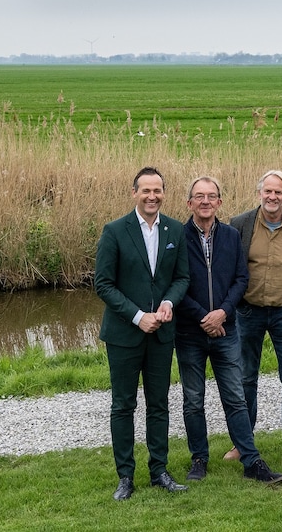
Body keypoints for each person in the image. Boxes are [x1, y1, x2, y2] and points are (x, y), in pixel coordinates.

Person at [174, 176, 282, 485]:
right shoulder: (177, 237)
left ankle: (251, 460)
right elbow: (175, 285)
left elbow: (241, 279)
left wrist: (222, 313)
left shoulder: (232, 236)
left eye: (211, 196)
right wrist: (204, 317)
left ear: (219, 202)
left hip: (227, 329)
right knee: (193, 399)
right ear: (190, 203)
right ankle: (199, 458)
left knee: (235, 397)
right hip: (189, 332)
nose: (205, 201)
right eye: (199, 196)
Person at [94, 166, 190, 500]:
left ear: (164, 193)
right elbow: (103, 284)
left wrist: (168, 303)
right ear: (134, 192)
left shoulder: (175, 230)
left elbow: (182, 278)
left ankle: (159, 471)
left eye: (158, 190)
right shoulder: (115, 231)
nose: (152, 196)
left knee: (159, 403)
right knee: (123, 405)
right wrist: (138, 317)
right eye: (146, 190)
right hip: (124, 335)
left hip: (162, 333)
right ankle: (125, 476)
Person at [227, 170, 282, 464]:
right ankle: (242, 443)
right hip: (248, 312)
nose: (272, 197)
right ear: (259, 194)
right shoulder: (240, 224)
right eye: (267, 191)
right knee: (245, 378)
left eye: (278, 192)